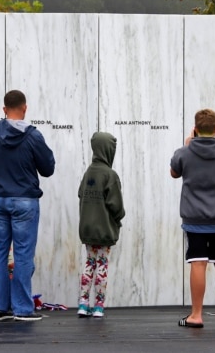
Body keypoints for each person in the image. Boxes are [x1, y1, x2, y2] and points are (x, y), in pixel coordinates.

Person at [0, 90, 55, 322]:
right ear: (25, 108)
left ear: (3, 109)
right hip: (24, 202)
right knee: (22, 254)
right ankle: (21, 308)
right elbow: (48, 169)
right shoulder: (32, 136)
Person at [170, 108, 215, 328]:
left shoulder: (184, 153)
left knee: (198, 263)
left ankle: (196, 315)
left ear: (196, 128)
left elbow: (174, 173)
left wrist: (187, 144)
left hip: (194, 219)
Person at [76, 132, 125, 319]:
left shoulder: (88, 172)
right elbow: (116, 205)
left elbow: (81, 195)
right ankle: (98, 306)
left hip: (87, 229)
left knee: (89, 264)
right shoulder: (110, 175)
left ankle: (82, 303)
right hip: (104, 230)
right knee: (102, 266)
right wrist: (119, 218)